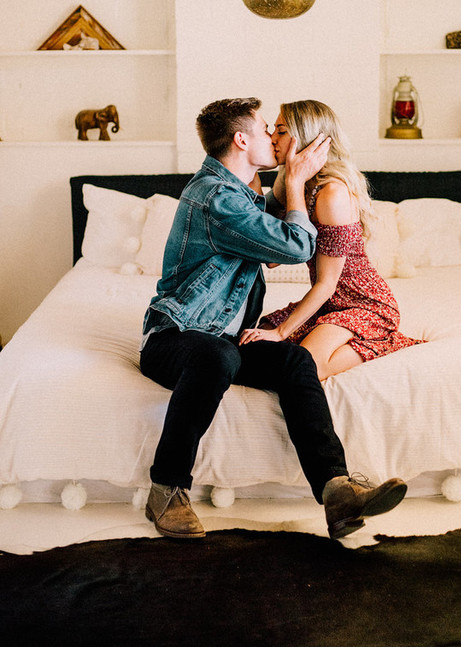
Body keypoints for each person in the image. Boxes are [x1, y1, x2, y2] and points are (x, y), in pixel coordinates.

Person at [140, 97, 407, 541]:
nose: (273, 137)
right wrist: (298, 178)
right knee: (217, 358)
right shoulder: (217, 198)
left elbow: (281, 241)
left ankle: (337, 492)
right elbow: (296, 247)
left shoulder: (248, 196)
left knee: (295, 362)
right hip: (175, 338)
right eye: (267, 129)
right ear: (241, 139)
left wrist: (293, 183)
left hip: (221, 342)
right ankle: (166, 488)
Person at [240, 99, 423, 381]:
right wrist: (258, 171)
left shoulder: (332, 194)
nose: (271, 138)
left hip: (364, 304)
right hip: (330, 305)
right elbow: (273, 256)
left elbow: (327, 283)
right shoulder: (294, 183)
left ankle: (388, 342)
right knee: (253, 340)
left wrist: (281, 332)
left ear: (307, 139)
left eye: (280, 131)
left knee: (308, 364)